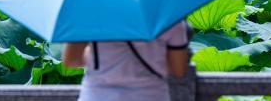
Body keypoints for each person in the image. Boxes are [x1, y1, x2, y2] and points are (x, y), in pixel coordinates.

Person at [62, 20, 190, 101]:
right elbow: (177, 69)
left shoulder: (89, 15)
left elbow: (72, 60)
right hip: (150, 95)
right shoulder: (170, 19)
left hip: (98, 95)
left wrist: (98, 55)